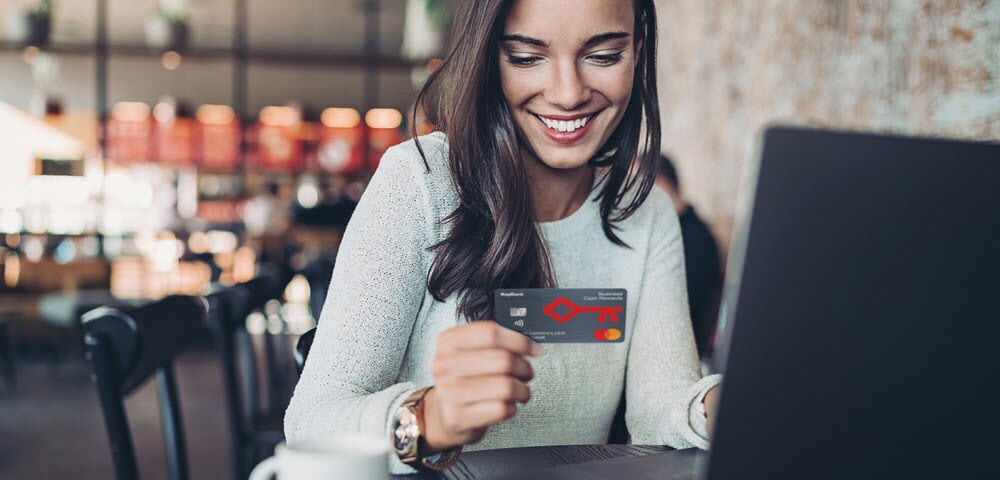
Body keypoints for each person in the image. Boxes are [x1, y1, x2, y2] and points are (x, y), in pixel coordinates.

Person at [285, 0, 722, 474]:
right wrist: (430, 417)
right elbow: (312, 419)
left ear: (637, 49)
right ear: (489, 59)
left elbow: (663, 403)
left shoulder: (644, 211)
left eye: (603, 56)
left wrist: (719, 405)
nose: (568, 93)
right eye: (527, 57)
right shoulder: (420, 182)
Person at [655, 154, 723, 358]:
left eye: (636, 187)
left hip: (684, 353)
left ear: (661, 185)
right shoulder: (677, 230)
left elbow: (674, 313)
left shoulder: (694, 240)